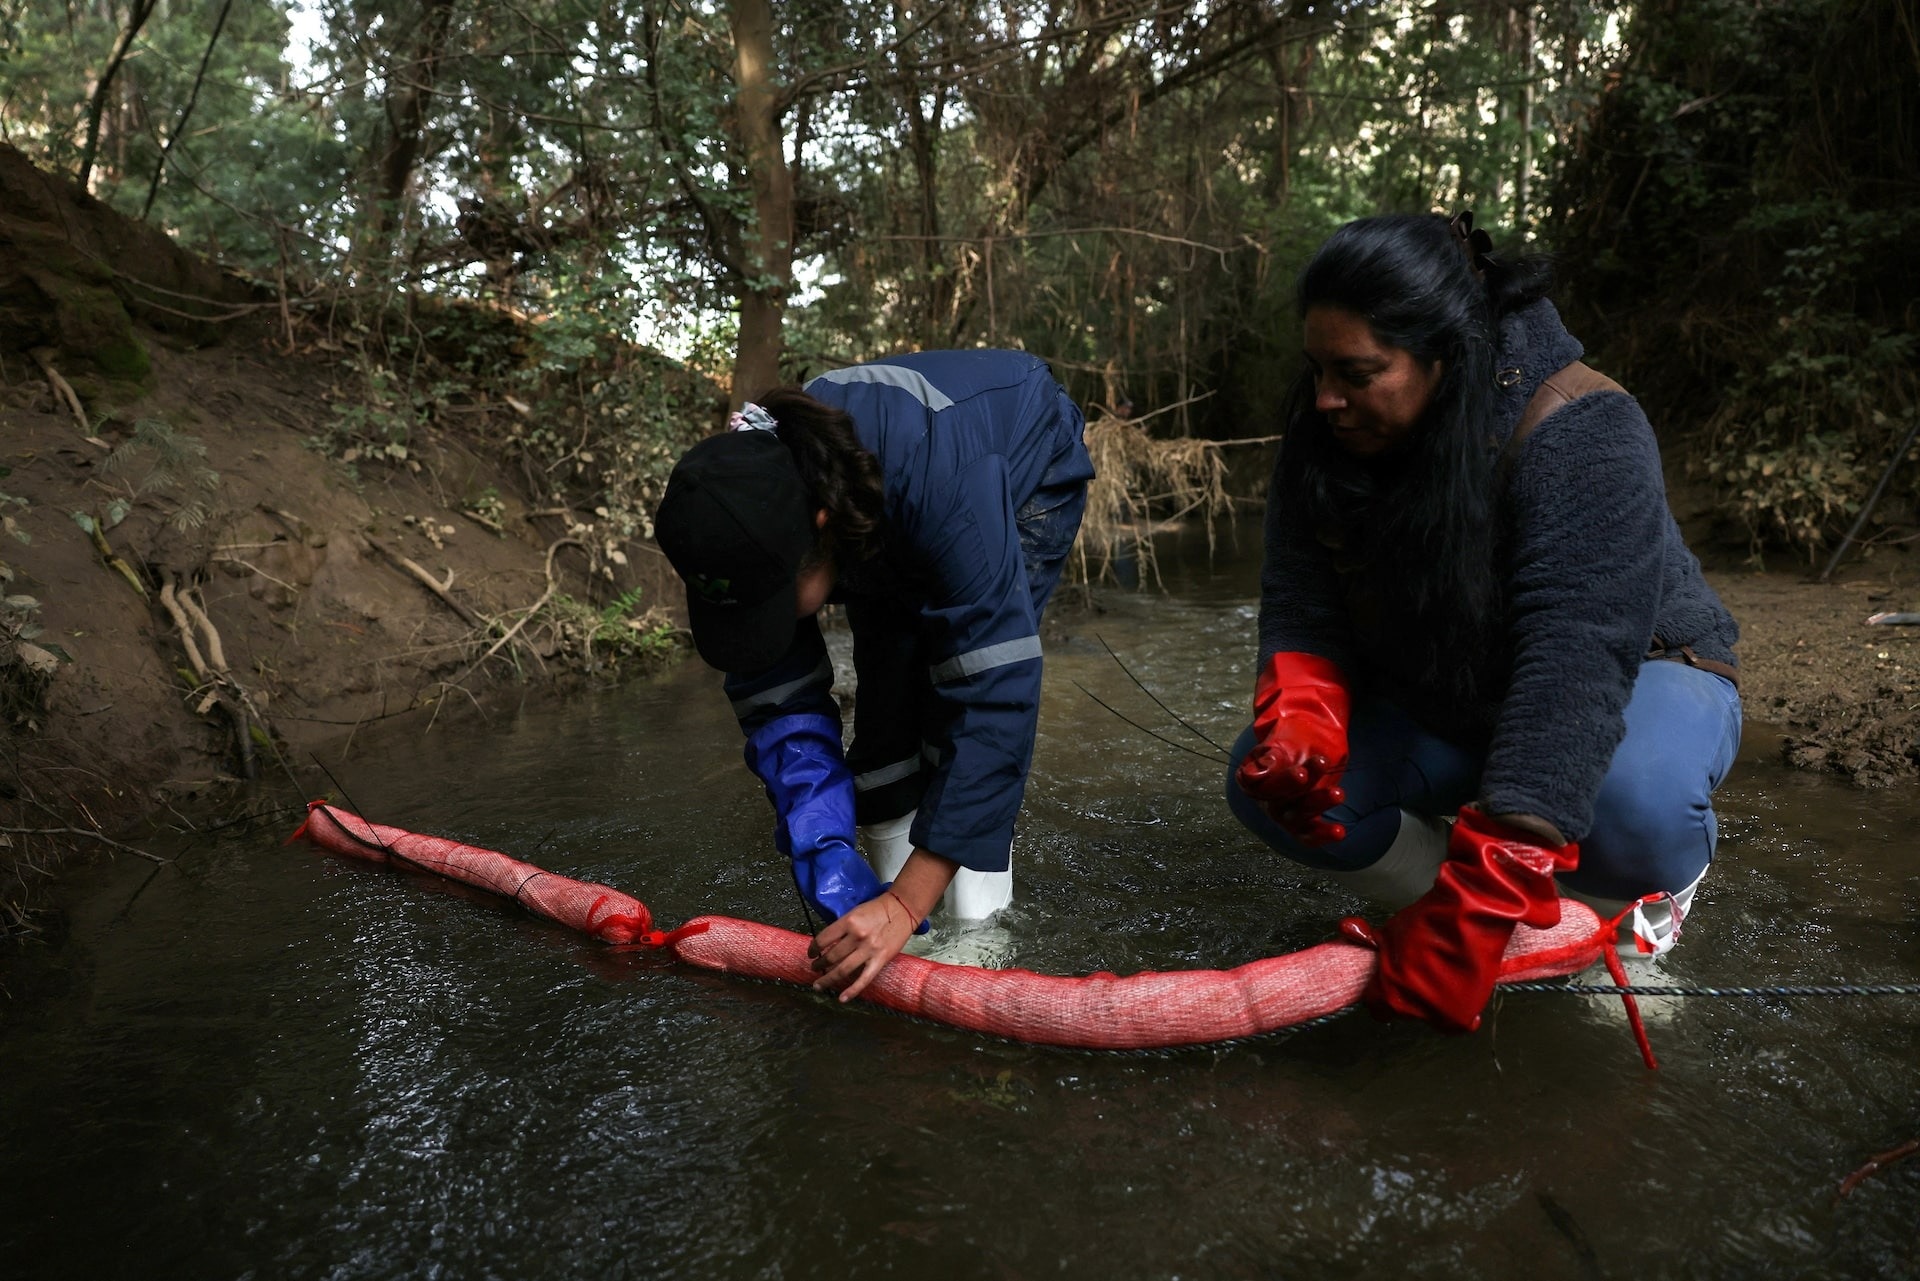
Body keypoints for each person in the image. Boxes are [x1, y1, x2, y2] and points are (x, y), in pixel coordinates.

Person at [1227, 212, 1742, 1034]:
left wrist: (1487, 888)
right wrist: (1302, 719)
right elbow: (1302, 601)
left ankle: (1636, 907)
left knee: (1634, 804)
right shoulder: (1328, 425)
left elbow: (1572, 666)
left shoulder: (1584, 427)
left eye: (1357, 372)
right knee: (1277, 788)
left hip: (1639, 668)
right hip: (1454, 685)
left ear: (1447, 353)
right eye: (1316, 368)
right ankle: (1472, 915)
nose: (1325, 398)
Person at [653, 350, 1093, 1002]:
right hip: (884, 500)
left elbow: (996, 695)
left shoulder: (941, 481)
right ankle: (893, 926)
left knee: (951, 694)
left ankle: (979, 941)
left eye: (772, 600)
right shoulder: (746, 504)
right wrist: (824, 849)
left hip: (1018, 462)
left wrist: (908, 902)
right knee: (886, 714)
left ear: (821, 531)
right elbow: (777, 701)